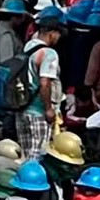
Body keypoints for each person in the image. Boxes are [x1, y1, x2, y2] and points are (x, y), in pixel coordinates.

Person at [16, 16, 64, 159]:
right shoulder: (49, 53)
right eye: (58, 33)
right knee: (39, 155)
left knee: (25, 156)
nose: (59, 37)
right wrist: (48, 109)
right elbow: (44, 82)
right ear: (51, 33)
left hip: (23, 109)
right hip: (39, 112)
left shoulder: (28, 47)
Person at [0, 0, 28, 71]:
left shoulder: (0, 27)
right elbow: (7, 63)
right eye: (21, 17)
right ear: (13, 17)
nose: (22, 20)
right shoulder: (6, 35)